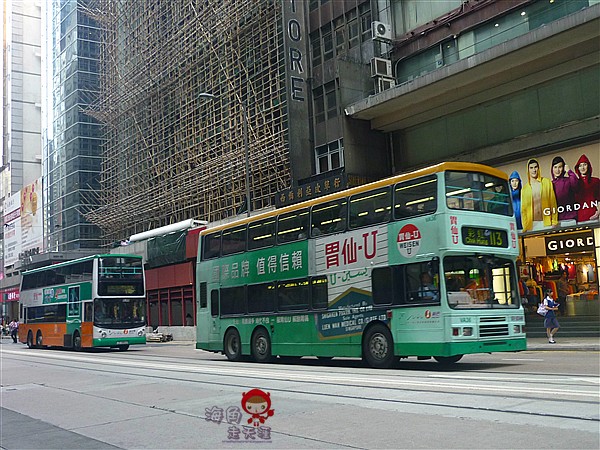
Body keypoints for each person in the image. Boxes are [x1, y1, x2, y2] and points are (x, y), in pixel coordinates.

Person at [521, 159, 558, 232]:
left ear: (538, 168)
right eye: (531, 168)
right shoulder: (525, 189)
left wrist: (554, 221)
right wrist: (525, 226)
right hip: (532, 225)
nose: (534, 170)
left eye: (535, 167)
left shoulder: (547, 182)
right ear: (528, 170)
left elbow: (553, 203)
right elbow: (523, 210)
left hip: (547, 223)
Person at [550, 156, 578, 224]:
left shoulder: (568, 180)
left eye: (560, 167)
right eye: (555, 167)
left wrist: (569, 171)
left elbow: (576, 185)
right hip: (557, 220)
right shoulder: (550, 184)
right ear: (552, 169)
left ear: (563, 168)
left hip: (571, 218)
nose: (557, 170)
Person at [574, 154, 600, 223]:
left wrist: (598, 212)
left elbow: (599, 199)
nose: (582, 168)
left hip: (593, 216)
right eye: (580, 166)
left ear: (588, 166)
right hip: (580, 218)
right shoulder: (575, 183)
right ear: (578, 168)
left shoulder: (596, 181)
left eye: (585, 165)